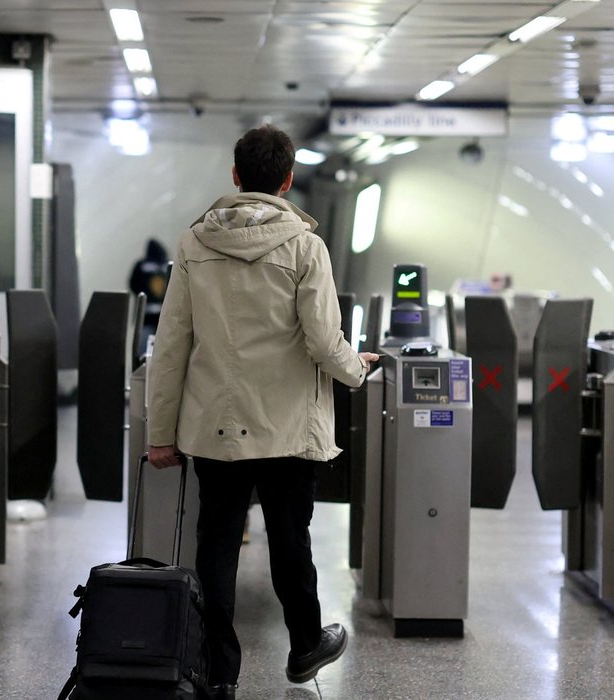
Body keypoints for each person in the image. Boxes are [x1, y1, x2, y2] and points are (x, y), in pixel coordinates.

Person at [146, 125, 379, 699]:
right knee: (289, 538)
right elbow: (324, 343)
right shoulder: (305, 245)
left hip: (215, 427)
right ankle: (304, 647)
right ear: (287, 179)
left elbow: (171, 343)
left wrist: (159, 434)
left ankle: (218, 671)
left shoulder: (195, 243)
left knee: (217, 545)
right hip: (287, 427)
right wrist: (359, 369)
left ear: (234, 175)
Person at [129, 238, 171, 351]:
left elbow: (133, 285)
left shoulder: (141, 265)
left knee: (144, 350)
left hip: (144, 315)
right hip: (164, 316)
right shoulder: (167, 265)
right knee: (164, 348)